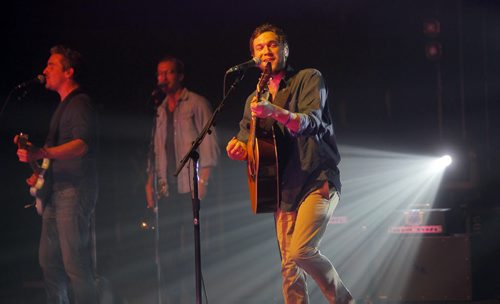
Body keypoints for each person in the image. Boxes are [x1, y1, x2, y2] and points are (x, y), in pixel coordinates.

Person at [226, 24, 354, 304]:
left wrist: (275, 111)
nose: (266, 51)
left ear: (284, 49)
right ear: (254, 57)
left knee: (301, 251)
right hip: (281, 191)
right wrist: (238, 147)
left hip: (316, 179)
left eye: (272, 45)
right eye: (259, 48)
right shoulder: (254, 100)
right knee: (289, 267)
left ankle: (345, 301)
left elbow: (312, 122)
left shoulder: (308, 78)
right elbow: (246, 136)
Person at [15, 45, 98, 303]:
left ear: (68, 71)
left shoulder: (80, 103)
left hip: (73, 191)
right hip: (56, 192)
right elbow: (53, 156)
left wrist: (41, 154)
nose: (44, 70)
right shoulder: (61, 107)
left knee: (75, 265)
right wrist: (39, 172)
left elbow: (81, 145)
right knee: (49, 264)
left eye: (51, 65)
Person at [144, 55, 219, 302]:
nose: (163, 78)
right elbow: (155, 150)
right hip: (167, 189)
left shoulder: (196, 103)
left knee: (191, 249)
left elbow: (209, 145)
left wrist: (203, 181)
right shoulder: (160, 111)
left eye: (169, 72)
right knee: (166, 251)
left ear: (180, 76)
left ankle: (194, 296)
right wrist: (150, 181)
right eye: (160, 73)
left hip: (191, 188)